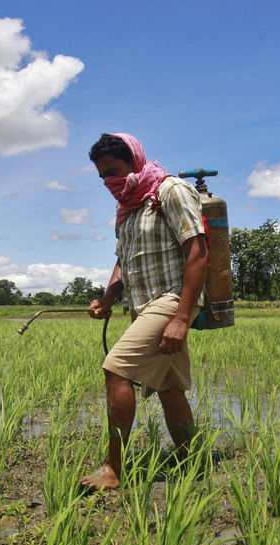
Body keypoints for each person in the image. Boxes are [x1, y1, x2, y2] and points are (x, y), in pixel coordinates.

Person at [82, 133, 208, 490]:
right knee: (169, 388)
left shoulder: (170, 192)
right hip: (142, 306)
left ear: (134, 162)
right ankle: (193, 462)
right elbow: (123, 261)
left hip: (171, 300)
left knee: (116, 369)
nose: (110, 182)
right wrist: (107, 299)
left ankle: (113, 469)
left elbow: (198, 254)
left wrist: (182, 318)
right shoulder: (128, 209)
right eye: (103, 176)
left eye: (115, 171)